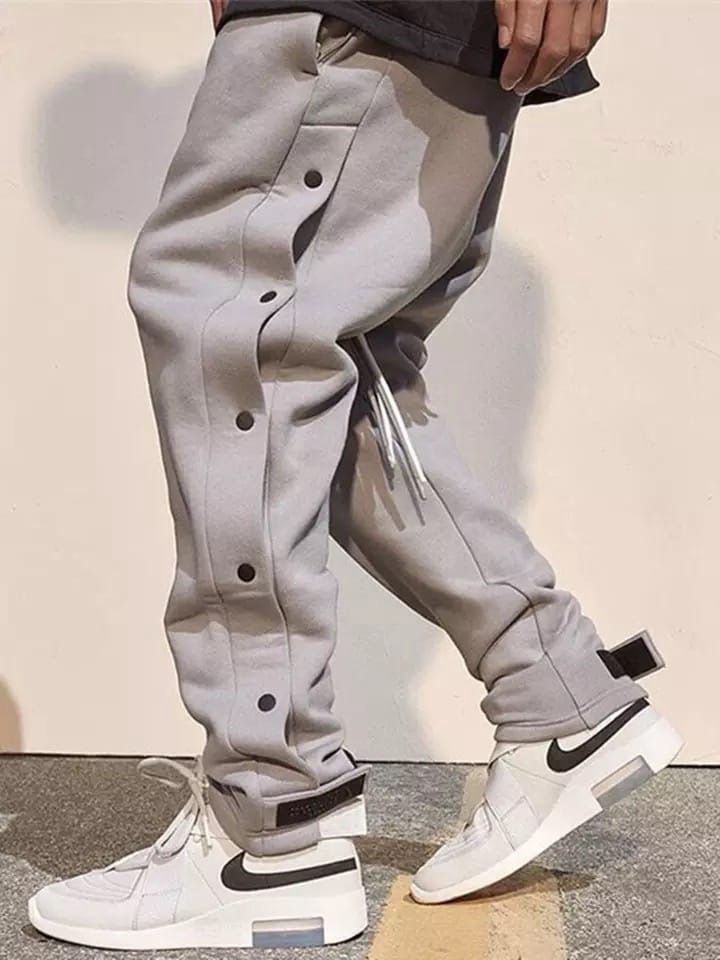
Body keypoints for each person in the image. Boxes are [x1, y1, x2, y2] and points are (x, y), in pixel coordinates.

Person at [28, 0, 682, 949]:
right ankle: (559, 694)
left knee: (236, 336)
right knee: (328, 366)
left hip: (358, 14)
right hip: (398, 23)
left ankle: (271, 828)